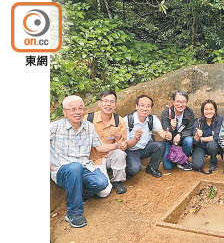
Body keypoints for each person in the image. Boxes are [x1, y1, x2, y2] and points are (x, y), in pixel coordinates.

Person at [50, 95, 119, 228]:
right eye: (73, 109)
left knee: (102, 182)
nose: (77, 112)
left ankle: (79, 193)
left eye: (80, 109)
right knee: (74, 167)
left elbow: (99, 147)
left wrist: (117, 145)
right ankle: (73, 213)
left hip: (84, 168)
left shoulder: (88, 126)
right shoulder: (55, 127)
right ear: (65, 112)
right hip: (62, 170)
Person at [85, 90, 128, 195]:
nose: (109, 104)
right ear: (99, 103)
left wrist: (119, 136)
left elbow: (123, 146)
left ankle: (118, 181)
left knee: (120, 153)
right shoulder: (88, 119)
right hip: (93, 159)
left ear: (115, 105)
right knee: (104, 193)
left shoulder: (119, 121)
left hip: (109, 156)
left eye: (112, 102)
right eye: (105, 101)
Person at [124, 95, 167, 178]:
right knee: (134, 168)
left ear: (151, 108)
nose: (145, 109)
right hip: (131, 150)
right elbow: (126, 145)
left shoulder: (152, 119)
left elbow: (161, 131)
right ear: (136, 106)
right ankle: (127, 169)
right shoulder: (127, 120)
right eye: (142, 105)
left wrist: (166, 135)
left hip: (145, 148)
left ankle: (152, 168)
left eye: (148, 106)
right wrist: (135, 139)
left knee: (160, 145)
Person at [161, 90, 195, 171]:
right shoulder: (166, 112)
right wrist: (172, 128)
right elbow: (165, 130)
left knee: (189, 140)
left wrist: (180, 135)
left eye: (183, 102)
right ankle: (176, 156)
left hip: (182, 139)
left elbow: (190, 130)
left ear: (186, 103)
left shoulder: (189, 112)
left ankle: (182, 161)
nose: (180, 104)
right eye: (178, 101)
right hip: (170, 141)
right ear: (173, 102)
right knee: (168, 167)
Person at [192, 99, 223, 172]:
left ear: (215, 110)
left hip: (212, 146)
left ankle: (213, 161)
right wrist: (197, 135)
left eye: (211, 109)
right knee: (197, 166)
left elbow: (216, 137)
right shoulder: (198, 120)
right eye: (206, 109)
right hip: (200, 146)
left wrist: (201, 138)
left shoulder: (219, 119)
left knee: (212, 144)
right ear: (202, 110)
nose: (209, 112)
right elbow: (196, 141)